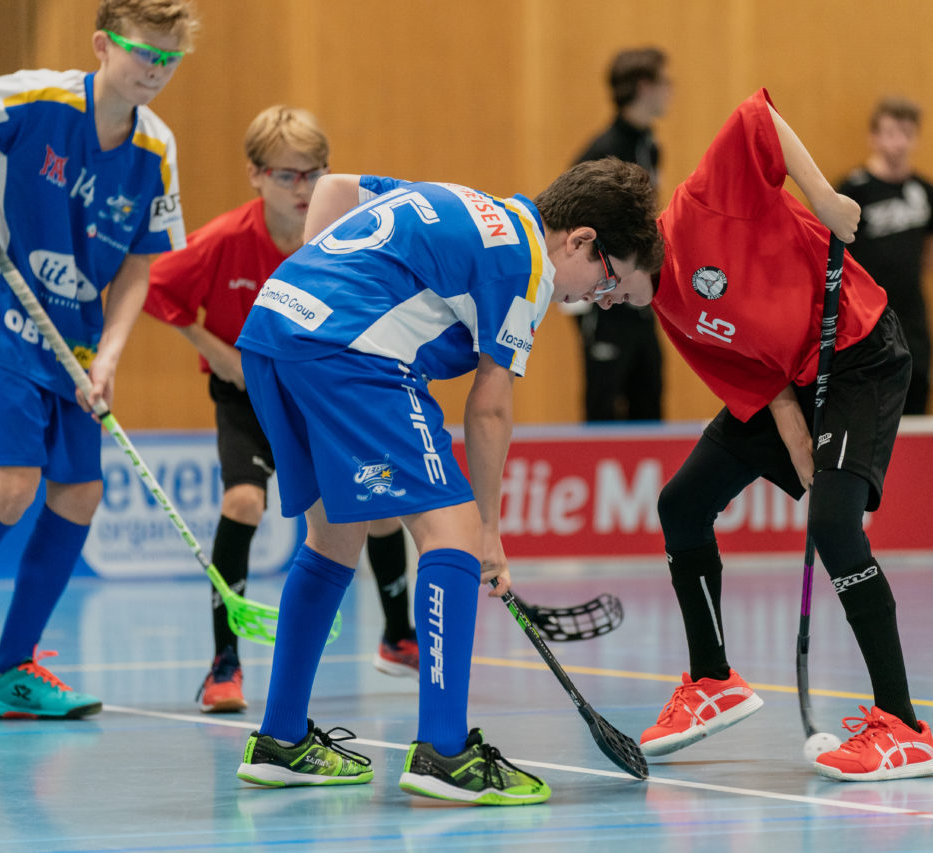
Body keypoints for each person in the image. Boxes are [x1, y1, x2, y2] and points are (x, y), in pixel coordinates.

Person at [231, 160, 662, 803]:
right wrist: (488, 531)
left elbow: (336, 188)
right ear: (581, 239)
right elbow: (489, 407)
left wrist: (320, 276)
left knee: (333, 538)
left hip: (274, 329)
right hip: (352, 354)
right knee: (452, 536)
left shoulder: (469, 203)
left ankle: (280, 740)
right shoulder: (528, 269)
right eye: (610, 282)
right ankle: (444, 752)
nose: (599, 299)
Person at [0, 0, 195, 722]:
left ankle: (13, 667)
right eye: (144, 52)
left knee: (80, 493)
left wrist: (111, 357)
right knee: (13, 486)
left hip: (77, 348)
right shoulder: (40, 97)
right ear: (101, 45)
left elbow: (142, 268)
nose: (156, 70)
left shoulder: (157, 147)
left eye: (170, 59)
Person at [640, 88, 933, 782]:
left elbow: (757, 116)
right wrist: (792, 424)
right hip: (798, 381)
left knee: (835, 527)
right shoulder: (663, 297)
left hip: (859, 351)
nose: (599, 300)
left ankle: (902, 726)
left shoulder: (699, 208)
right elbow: (751, 372)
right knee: (681, 505)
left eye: (599, 283)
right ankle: (712, 678)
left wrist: (829, 200)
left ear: (623, 248)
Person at [143, 106, 418, 714]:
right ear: (256, 176)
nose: (304, 188)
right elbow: (153, 287)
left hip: (320, 392)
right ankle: (224, 663)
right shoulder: (222, 241)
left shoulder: (345, 231)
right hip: (246, 395)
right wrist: (214, 350)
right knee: (243, 500)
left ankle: (398, 636)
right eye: (288, 175)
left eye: (315, 173)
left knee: (375, 504)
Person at [568, 47, 673, 422]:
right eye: (666, 82)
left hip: (640, 302)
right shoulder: (603, 154)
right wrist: (583, 308)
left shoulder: (649, 145)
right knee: (603, 407)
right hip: (605, 307)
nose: (671, 90)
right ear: (645, 86)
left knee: (651, 400)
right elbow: (568, 232)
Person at [835, 96, 933, 415]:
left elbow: (932, 254)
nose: (898, 143)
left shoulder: (927, 192)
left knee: (916, 396)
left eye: (906, 134)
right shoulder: (853, 190)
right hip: (864, 318)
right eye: (889, 133)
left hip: (912, 318)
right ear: (874, 137)